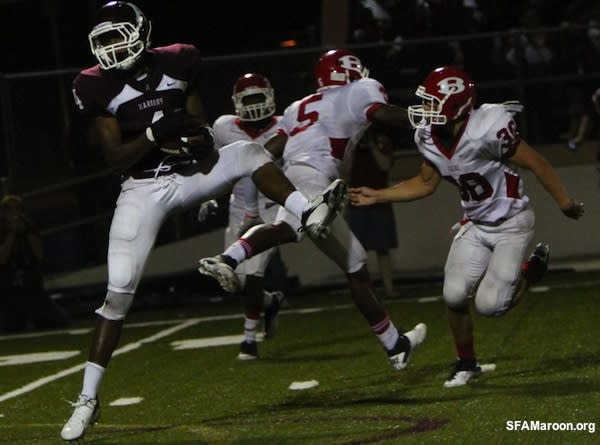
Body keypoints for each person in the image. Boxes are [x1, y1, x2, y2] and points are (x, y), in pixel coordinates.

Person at [60, 2, 346, 441]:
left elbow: (200, 131)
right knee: (118, 293)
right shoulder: (93, 85)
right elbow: (114, 157)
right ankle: (87, 399)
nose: (113, 48)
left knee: (248, 153)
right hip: (142, 187)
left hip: (188, 173)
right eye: (105, 41)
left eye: (119, 35)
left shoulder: (179, 59)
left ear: (140, 31)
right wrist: (156, 134)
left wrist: (197, 142)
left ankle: (309, 209)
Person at [349, 66, 584, 388]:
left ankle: (530, 274)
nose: (426, 111)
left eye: (433, 103)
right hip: (474, 224)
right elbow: (425, 182)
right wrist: (378, 195)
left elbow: (536, 162)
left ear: (456, 107)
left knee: (490, 307)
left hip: (511, 224)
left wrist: (565, 202)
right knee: (454, 295)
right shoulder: (427, 136)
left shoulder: (487, 129)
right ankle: (466, 363)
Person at [198, 49, 427, 367]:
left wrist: (239, 171)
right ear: (347, 71)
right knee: (289, 229)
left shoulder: (297, 106)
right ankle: (228, 258)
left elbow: (274, 147)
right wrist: (426, 116)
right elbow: (381, 114)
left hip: (298, 173)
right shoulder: (359, 89)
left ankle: (395, 346)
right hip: (314, 175)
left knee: (356, 265)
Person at [201, 73, 288, 359]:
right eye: (247, 99)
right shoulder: (224, 127)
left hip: (272, 207)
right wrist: (209, 194)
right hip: (239, 207)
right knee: (233, 280)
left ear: (270, 97)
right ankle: (270, 302)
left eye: (257, 98)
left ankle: (249, 339)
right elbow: (215, 166)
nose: (253, 106)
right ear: (236, 103)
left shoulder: (286, 125)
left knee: (254, 272)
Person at [0, 195, 70, 332]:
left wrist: (26, 231)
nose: (14, 213)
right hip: (9, 294)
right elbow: (2, 258)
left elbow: (39, 254)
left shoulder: (30, 228)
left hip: (32, 291)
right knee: (8, 326)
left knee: (60, 320)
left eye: (17, 209)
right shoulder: (2, 231)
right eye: (9, 210)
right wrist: (11, 234)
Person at [345, 126, 399, 300]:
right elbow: (344, 172)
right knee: (354, 252)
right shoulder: (349, 145)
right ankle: (362, 292)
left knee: (383, 248)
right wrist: (353, 147)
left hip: (379, 201)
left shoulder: (382, 142)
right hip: (355, 201)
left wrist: (372, 146)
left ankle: (389, 289)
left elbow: (385, 166)